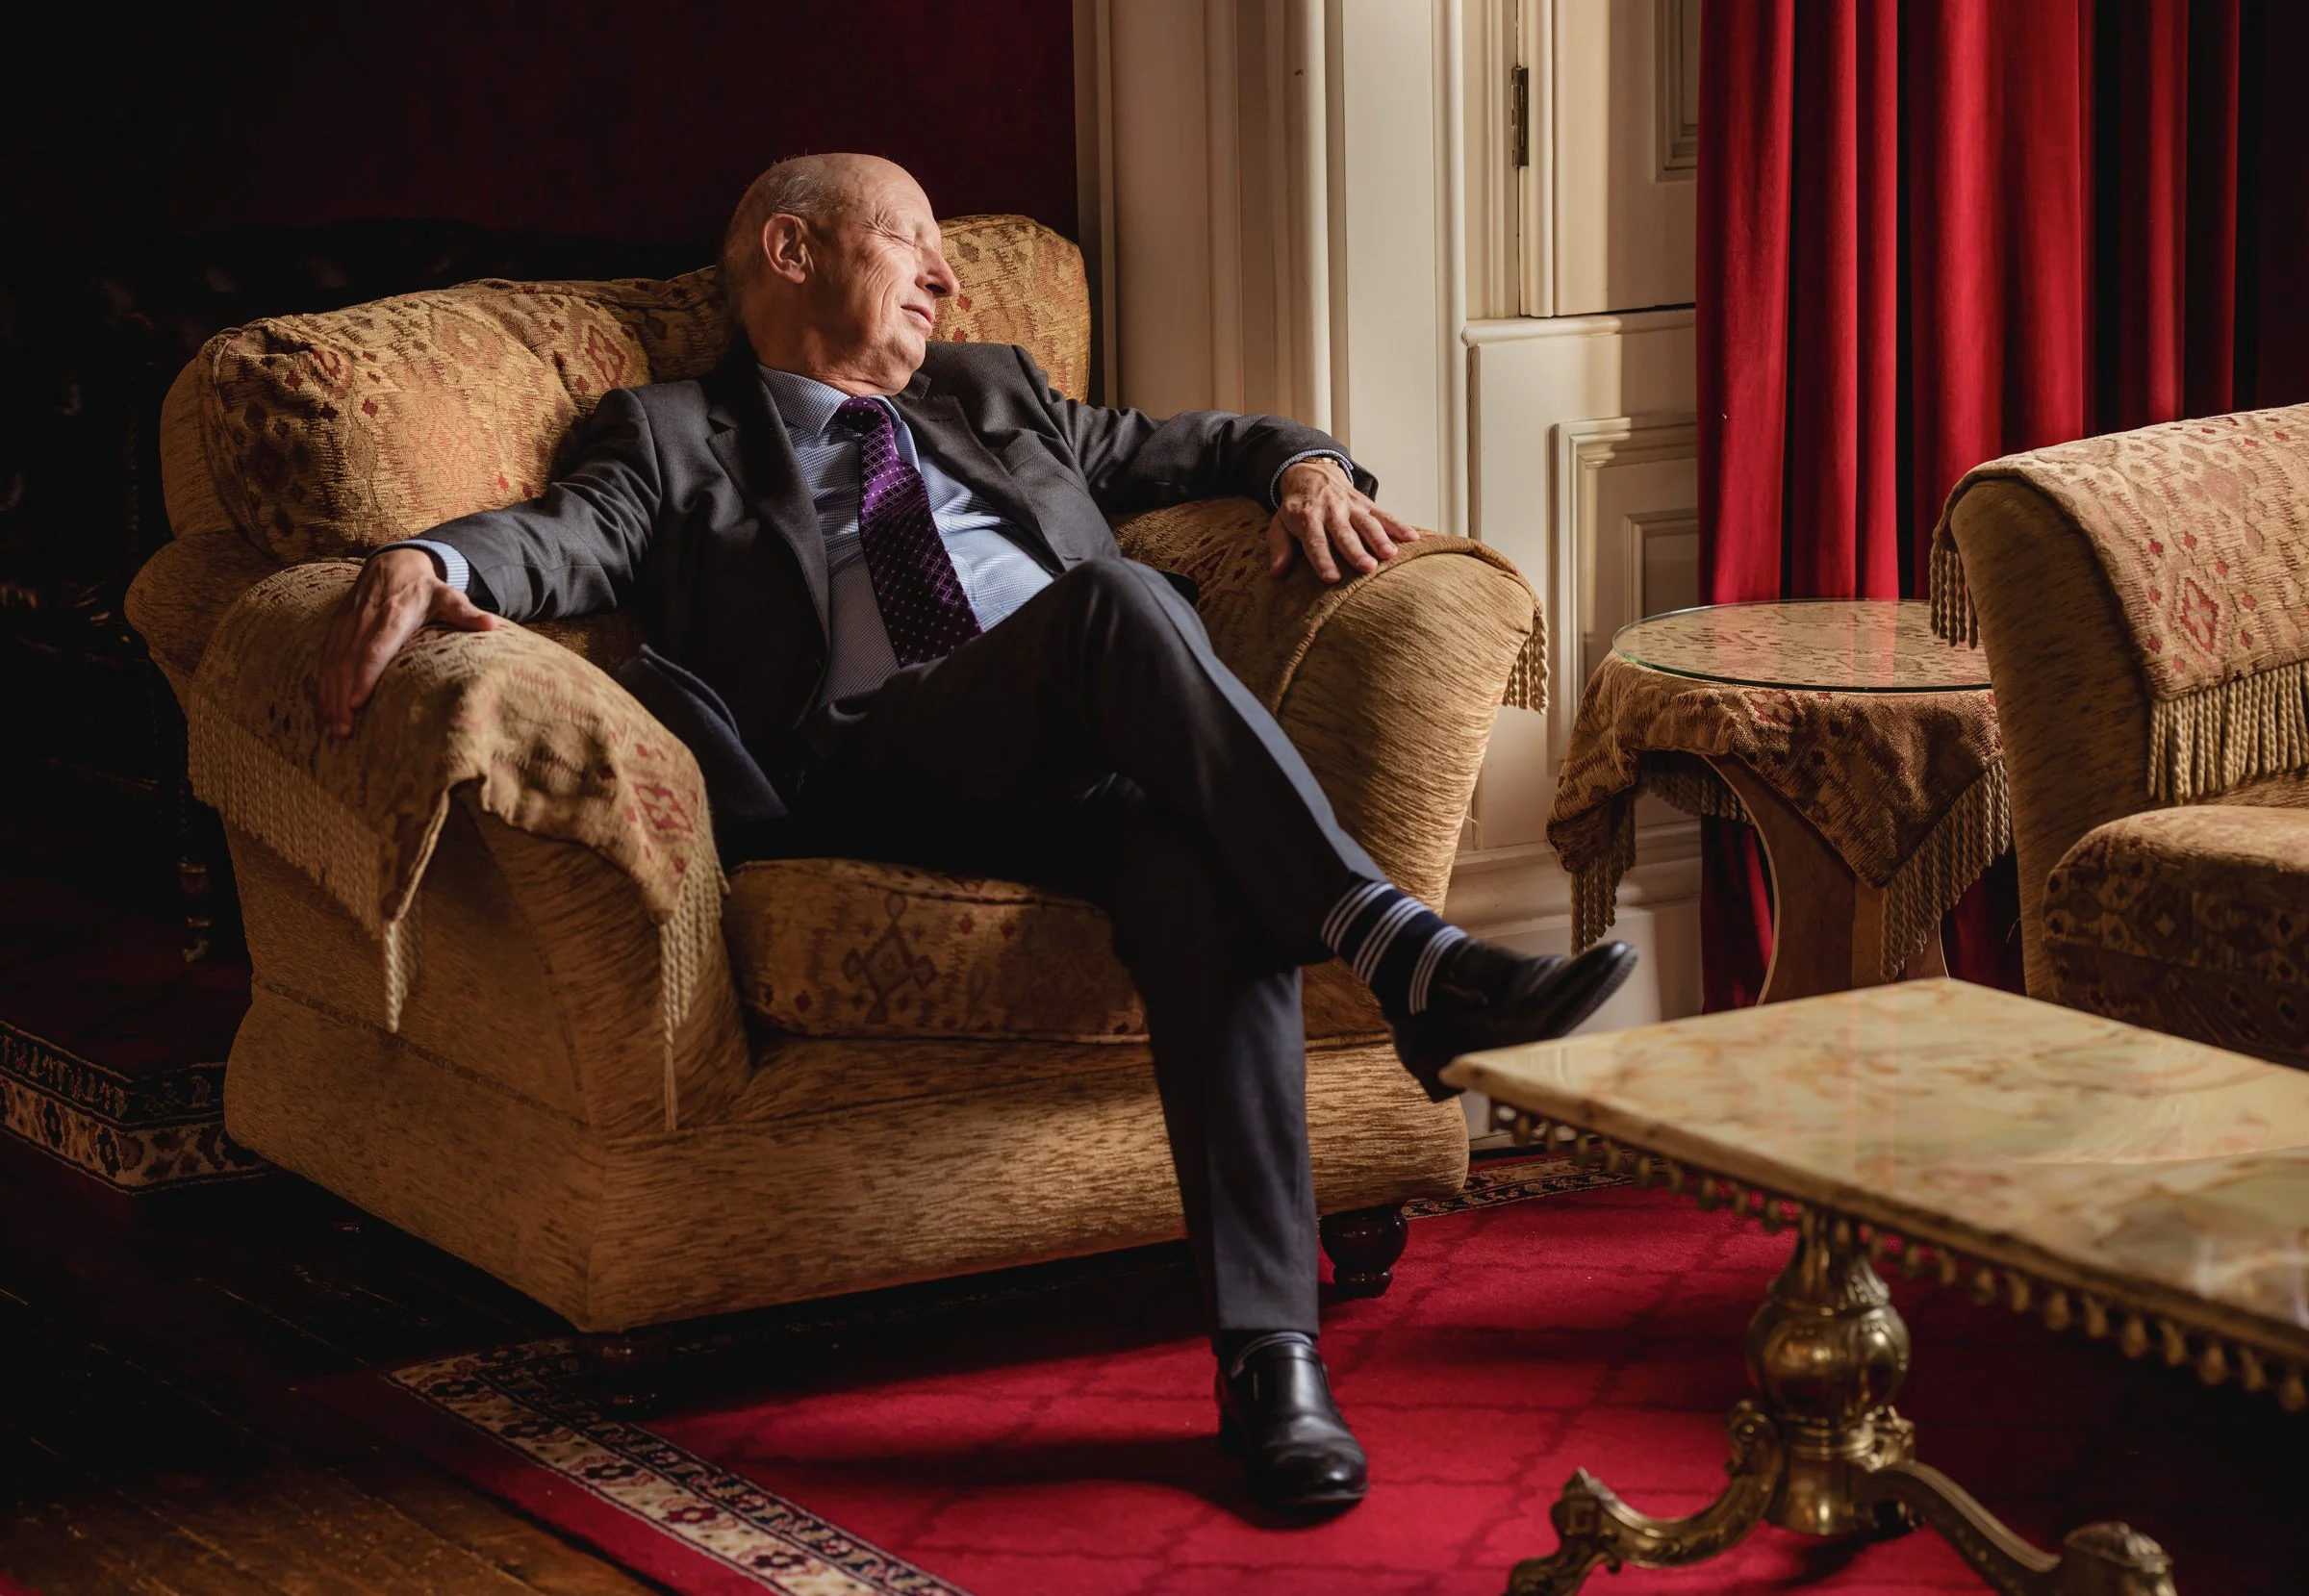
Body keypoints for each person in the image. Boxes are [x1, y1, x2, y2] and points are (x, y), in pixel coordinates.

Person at [317, 153, 1635, 1515]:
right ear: (790, 252)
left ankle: (1272, 1363)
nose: (947, 276)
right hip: (878, 769)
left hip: (1083, 769)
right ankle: (1404, 952)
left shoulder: (997, 394)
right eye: (910, 243)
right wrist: (433, 561)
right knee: (1119, 604)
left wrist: (1305, 466)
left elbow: (1214, 443)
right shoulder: (668, 432)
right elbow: (562, 539)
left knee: (1199, 871)